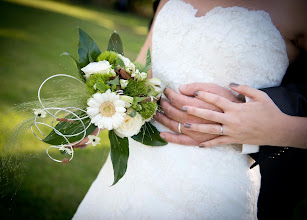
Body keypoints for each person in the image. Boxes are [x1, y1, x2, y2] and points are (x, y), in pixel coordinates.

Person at [73, 0, 301, 218]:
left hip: (213, 184)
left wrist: (274, 127)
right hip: (139, 163)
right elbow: (143, 69)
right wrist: (99, 113)